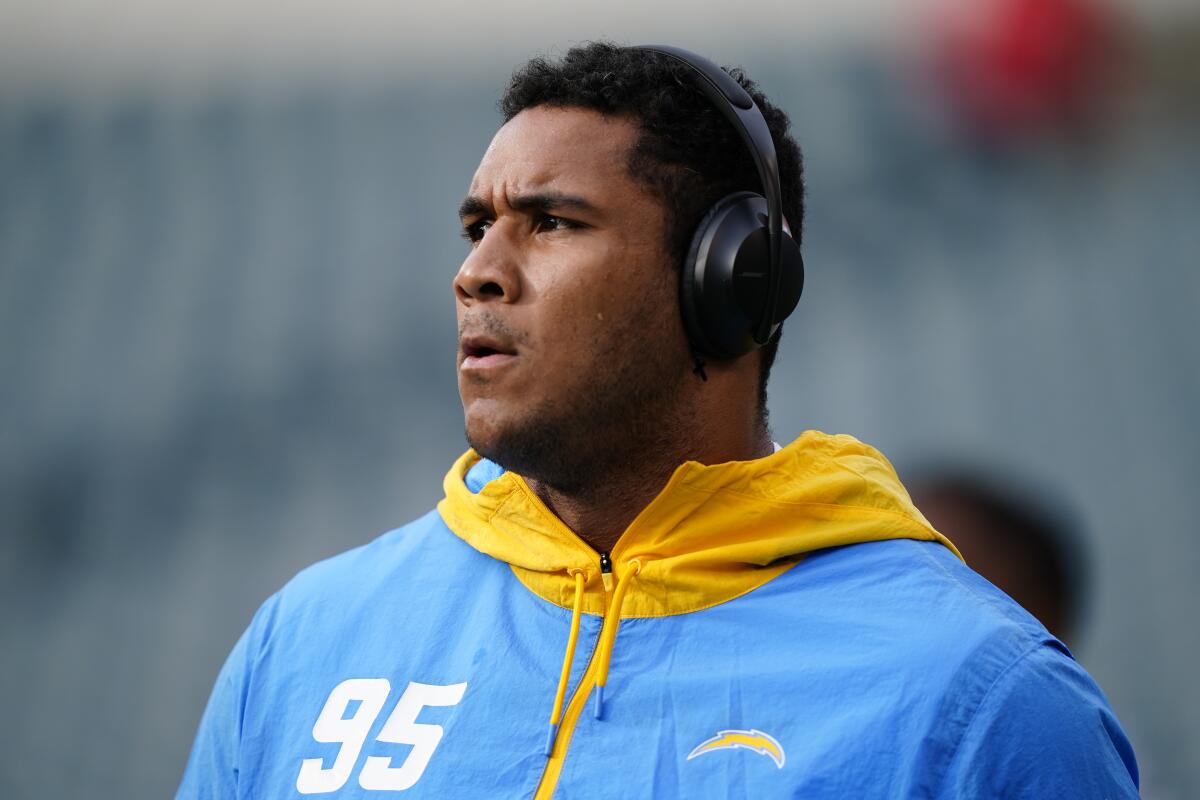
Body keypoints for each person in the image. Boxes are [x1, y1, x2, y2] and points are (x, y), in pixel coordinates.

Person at [177, 43, 1139, 798]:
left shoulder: (980, 697)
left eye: (552, 221)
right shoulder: (305, 641)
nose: (478, 272)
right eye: (480, 227)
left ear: (730, 281)